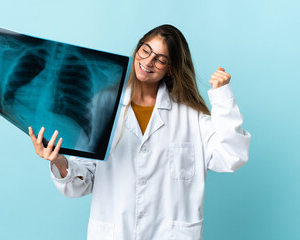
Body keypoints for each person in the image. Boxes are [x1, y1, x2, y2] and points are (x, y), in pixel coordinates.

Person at [28, 24, 251, 240]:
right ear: (137, 49)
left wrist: (222, 97)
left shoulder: (190, 116)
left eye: (160, 59)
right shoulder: (102, 106)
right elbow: (83, 181)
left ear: (171, 68)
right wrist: (59, 161)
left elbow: (231, 156)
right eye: (146, 50)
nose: (148, 61)